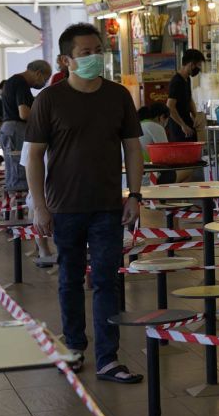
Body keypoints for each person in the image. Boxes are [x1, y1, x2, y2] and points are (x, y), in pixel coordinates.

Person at [25, 22, 145, 384]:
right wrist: (39, 205)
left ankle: (108, 358)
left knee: (108, 281)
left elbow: (133, 148)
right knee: (70, 280)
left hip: (108, 206)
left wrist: (135, 195)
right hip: (64, 207)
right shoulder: (49, 99)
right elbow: (33, 157)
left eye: (98, 51)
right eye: (86, 53)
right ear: (66, 60)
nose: (95, 58)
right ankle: (74, 348)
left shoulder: (118, 95)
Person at [0, 60, 53, 197]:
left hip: (10, 128)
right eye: (45, 79)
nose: (44, 83)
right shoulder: (21, 82)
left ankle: (13, 209)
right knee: (20, 170)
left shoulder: (14, 81)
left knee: (13, 168)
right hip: (16, 128)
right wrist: (45, 120)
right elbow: (24, 113)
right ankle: (20, 209)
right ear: (38, 73)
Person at [166, 49, 204, 142]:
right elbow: (170, 106)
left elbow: (189, 99)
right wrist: (183, 125)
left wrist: (195, 116)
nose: (198, 69)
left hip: (187, 122)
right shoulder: (176, 82)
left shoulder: (187, 79)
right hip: (178, 126)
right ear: (191, 65)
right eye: (198, 65)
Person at [138, 102, 176, 184]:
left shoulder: (139, 124)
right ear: (162, 117)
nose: (166, 124)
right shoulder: (156, 127)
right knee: (181, 172)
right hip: (147, 176)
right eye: (167, 121)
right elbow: (166, 154)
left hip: (130, 176)